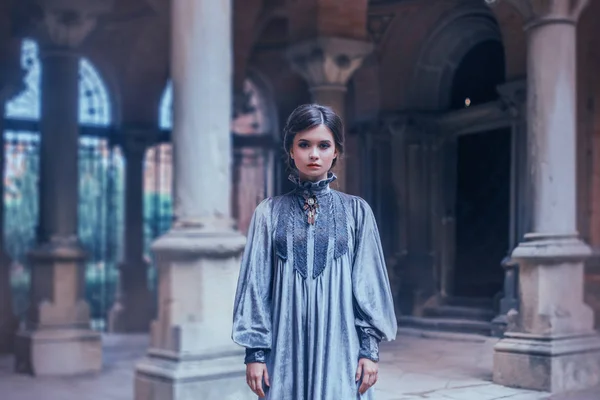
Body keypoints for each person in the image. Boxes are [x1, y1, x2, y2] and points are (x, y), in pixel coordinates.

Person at [232, 104, 397, 399]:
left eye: (324, 145)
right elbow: (256, 287)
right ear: (290, 150)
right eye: (304, 144)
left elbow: (368, 285)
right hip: (284, 350)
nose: (314, 154)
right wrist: (255, 354)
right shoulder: (268, 213)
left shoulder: (356, 212)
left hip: (341, 349)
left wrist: (369, 351)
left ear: (336, 151)